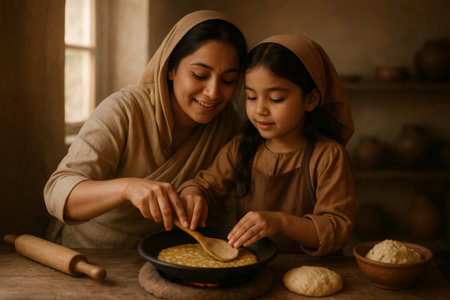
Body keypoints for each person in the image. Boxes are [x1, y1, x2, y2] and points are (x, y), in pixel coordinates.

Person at [43, 10, 247, 248]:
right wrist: (127, 187)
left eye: (228, 80)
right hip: (90, 252)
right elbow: (57, 193)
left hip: (166, 255)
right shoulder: (124, 111)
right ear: (170, 68)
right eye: (199, 75)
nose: (213, 92)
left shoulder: (227, 124)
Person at [178, 34, 355, 255]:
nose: (260, 109)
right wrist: (194, 193)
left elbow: (336, 230)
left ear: (310, 100)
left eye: (276, 98)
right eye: (251, 97)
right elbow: (206, 185)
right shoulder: (241, 148)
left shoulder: (329, 156)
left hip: (310, 270)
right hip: (252, 268)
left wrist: (279, 222)